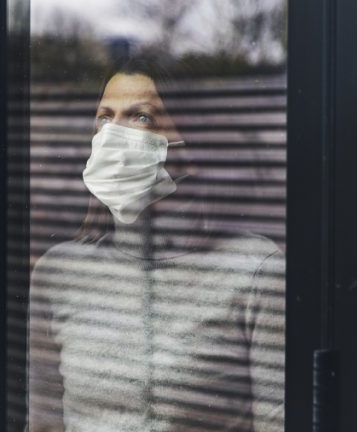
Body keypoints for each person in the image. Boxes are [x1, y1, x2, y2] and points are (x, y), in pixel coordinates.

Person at [27, 56, 285, 432]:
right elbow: (44, 424)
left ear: (190, 141)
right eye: (104, 118)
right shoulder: (60, 272)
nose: (114, 134)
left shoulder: (256, 271)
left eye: (141, 116)